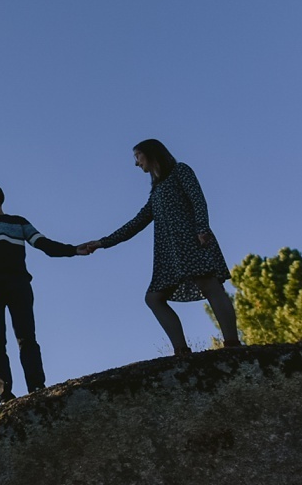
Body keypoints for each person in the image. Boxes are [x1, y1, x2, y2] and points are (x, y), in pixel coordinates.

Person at [80, 139, 241, 355]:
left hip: (192, 239)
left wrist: (202, 228)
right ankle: (181, 352)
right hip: (169, 252)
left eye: (138, 156)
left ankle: (232, 344)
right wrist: (103, 242)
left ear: (151, 153)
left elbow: (198, 199)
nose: (136, 163)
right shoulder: (156, 192)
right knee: (154, 298)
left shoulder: (180, 171)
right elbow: (136, 222)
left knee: (209, 284)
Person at [0, 183, 84, 403]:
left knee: (26, 336)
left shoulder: (18, 222)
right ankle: (5, 395)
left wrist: (73, 250)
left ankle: (36, 386)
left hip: (18, 283)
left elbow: (43, 244)